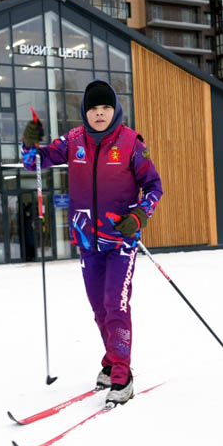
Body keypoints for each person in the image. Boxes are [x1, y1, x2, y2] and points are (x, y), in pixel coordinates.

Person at [21, 79, 163, 405]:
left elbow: (154, 187)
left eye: (105, 108)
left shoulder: (131, 144)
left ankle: (121, 373)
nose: (99, 114)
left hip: (120, 241)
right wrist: (30, 142)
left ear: (115, 110)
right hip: (87, 240)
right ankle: (112, 358)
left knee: (116, 305)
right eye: (93, 109)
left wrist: (140, 216)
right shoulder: (73, 140)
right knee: (100, 309)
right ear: (86, 112)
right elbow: (35, 162)